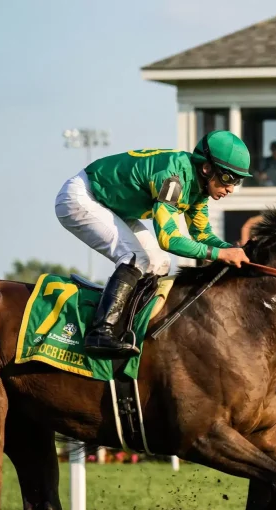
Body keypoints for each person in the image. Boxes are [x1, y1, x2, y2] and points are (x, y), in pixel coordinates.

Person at [54, 130, 253, 359]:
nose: (230, 188)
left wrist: (233, 250)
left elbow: (202, 235)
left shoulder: (199, 188)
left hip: (112, 205)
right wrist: (220, 254)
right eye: (227, 178)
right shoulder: (174, 179)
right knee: (134, 257)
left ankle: (131, 329)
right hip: (82, 196)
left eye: (237, 181)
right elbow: (168, 239)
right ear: (207, 168)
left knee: (159, 263)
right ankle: (100, 332)